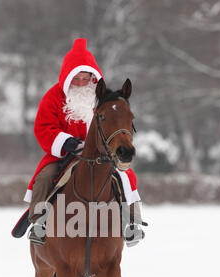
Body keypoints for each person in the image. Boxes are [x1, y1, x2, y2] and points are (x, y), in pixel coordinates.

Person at [25, 38, 144, 246]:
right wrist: (65, 142)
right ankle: (38, 223)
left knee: (125, 176)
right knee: (45, 177)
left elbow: (115, 124)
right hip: (63, 154)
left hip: (101, 155)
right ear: (67, 77)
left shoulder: (103, 99)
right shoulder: (53, 97)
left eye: (85, 78)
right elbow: (42, 128)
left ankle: (131, 223)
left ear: (93, 76)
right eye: (76, 79)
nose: (80, 83)